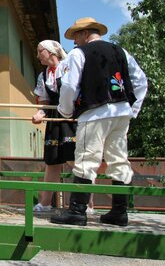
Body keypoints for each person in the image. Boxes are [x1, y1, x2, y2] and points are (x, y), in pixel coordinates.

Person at [51, 17, 148, 227]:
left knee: (87, 158)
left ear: (85, 34)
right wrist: (133, 110)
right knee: (119, 159)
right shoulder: (121, 51)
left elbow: (69, 86)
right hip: (121, 113)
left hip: (94, 113)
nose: (74, 42)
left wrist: (66, 111)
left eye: (76, 36)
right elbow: (141, 81)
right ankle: (119, 212)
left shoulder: (79, 53)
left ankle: (77, 211)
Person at [31, 40, 76, 212]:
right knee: (52, 161)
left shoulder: (68, 67)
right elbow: (45, 103)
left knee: (75, 161)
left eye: (39, 51)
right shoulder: (43, 75)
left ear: (50, 52)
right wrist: (39, 115)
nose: (37, 55)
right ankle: (45, 203)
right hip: (54, 119)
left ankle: (86, 204)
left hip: (72, 118)